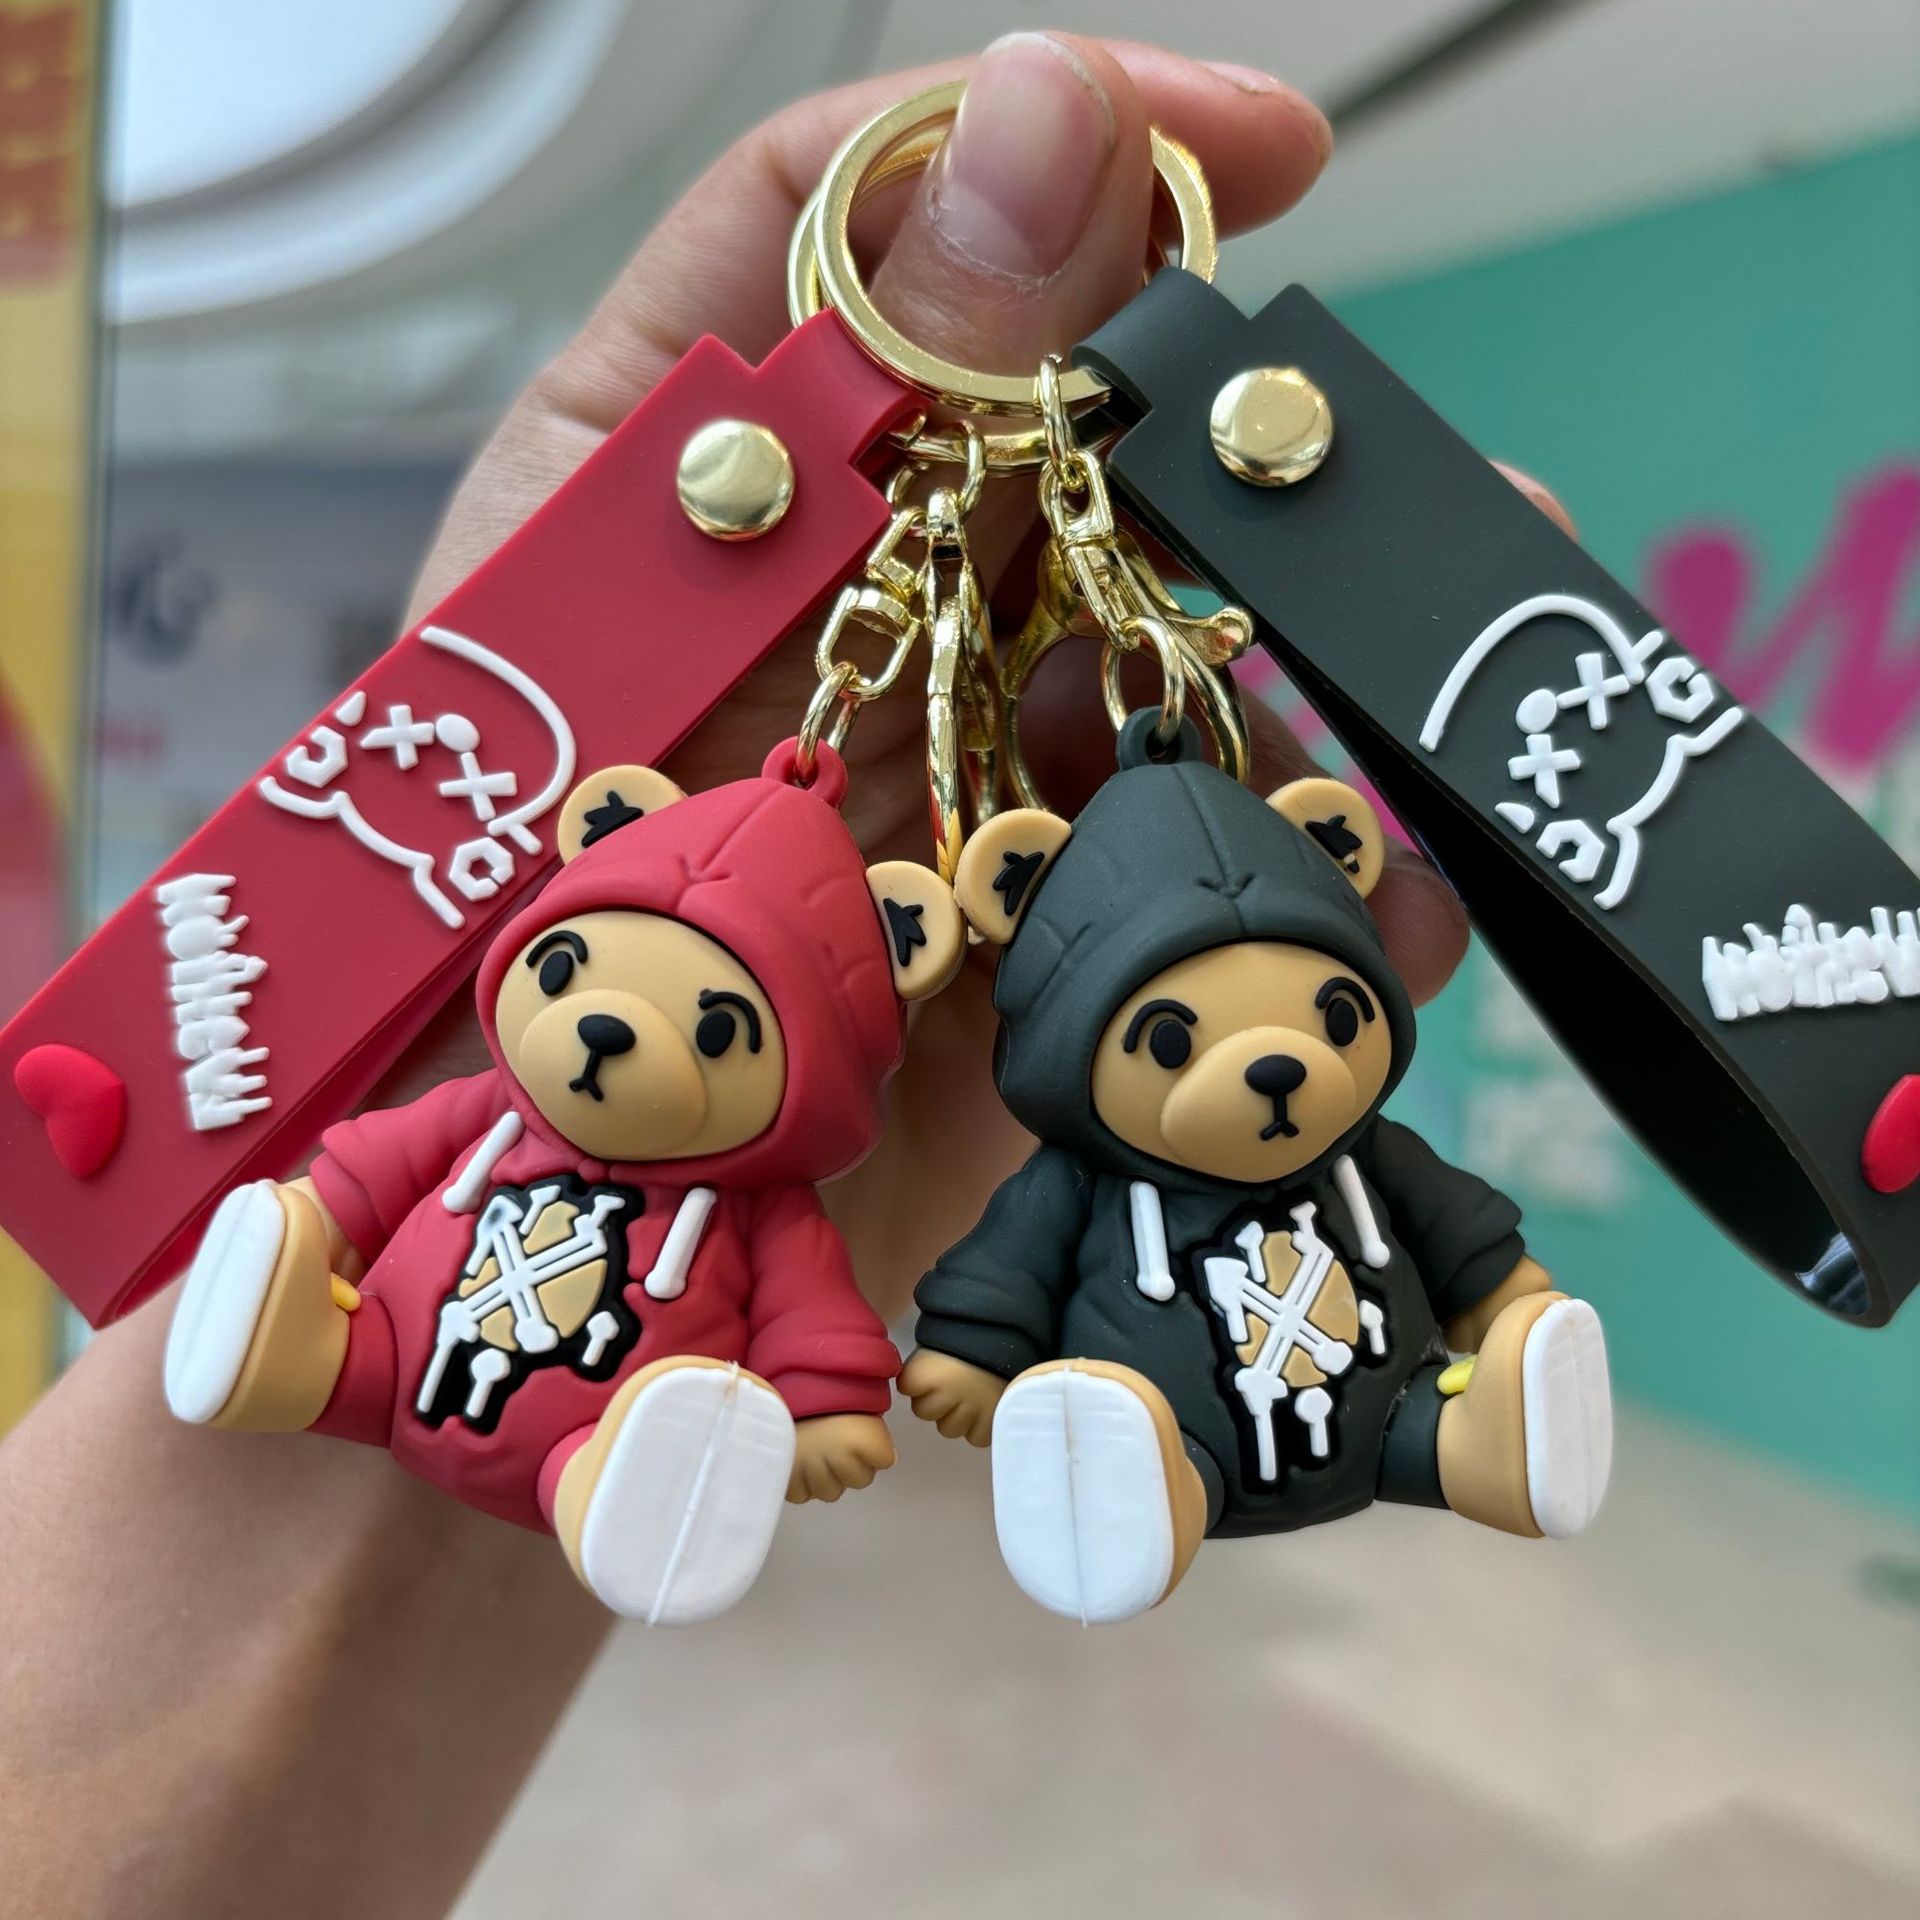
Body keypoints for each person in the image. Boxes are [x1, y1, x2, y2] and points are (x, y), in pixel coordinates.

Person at [0, 33, 1566, 1917]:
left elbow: (962, 1275)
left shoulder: (1173, 1174)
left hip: (1312, 1382)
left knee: (1330, 1401)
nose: (610, 1033)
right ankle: (317, 1353)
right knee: (354, 1328)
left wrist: (891, 1382)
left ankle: (1427, 1435)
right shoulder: (519, 1133)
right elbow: (382, 1175)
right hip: (434, 1353)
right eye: (585, 971)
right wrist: (328, 1233)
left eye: (1320, 1013)